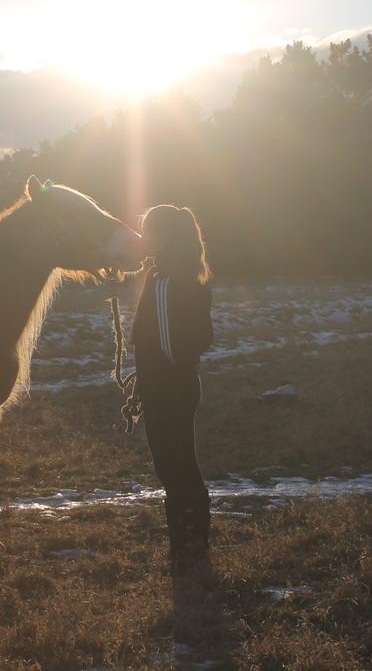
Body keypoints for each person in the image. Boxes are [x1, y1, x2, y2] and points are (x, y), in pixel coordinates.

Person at [129, 204, 215, 641]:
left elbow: (167, 342)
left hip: (168, 388)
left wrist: (152, 377)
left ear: (163, 237)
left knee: (173, 470)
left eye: (148, 233)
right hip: (179, 386)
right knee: (185, 467)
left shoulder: (163, 282)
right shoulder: (184, 275)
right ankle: (195, 550)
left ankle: (185, 555)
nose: (143, 240)